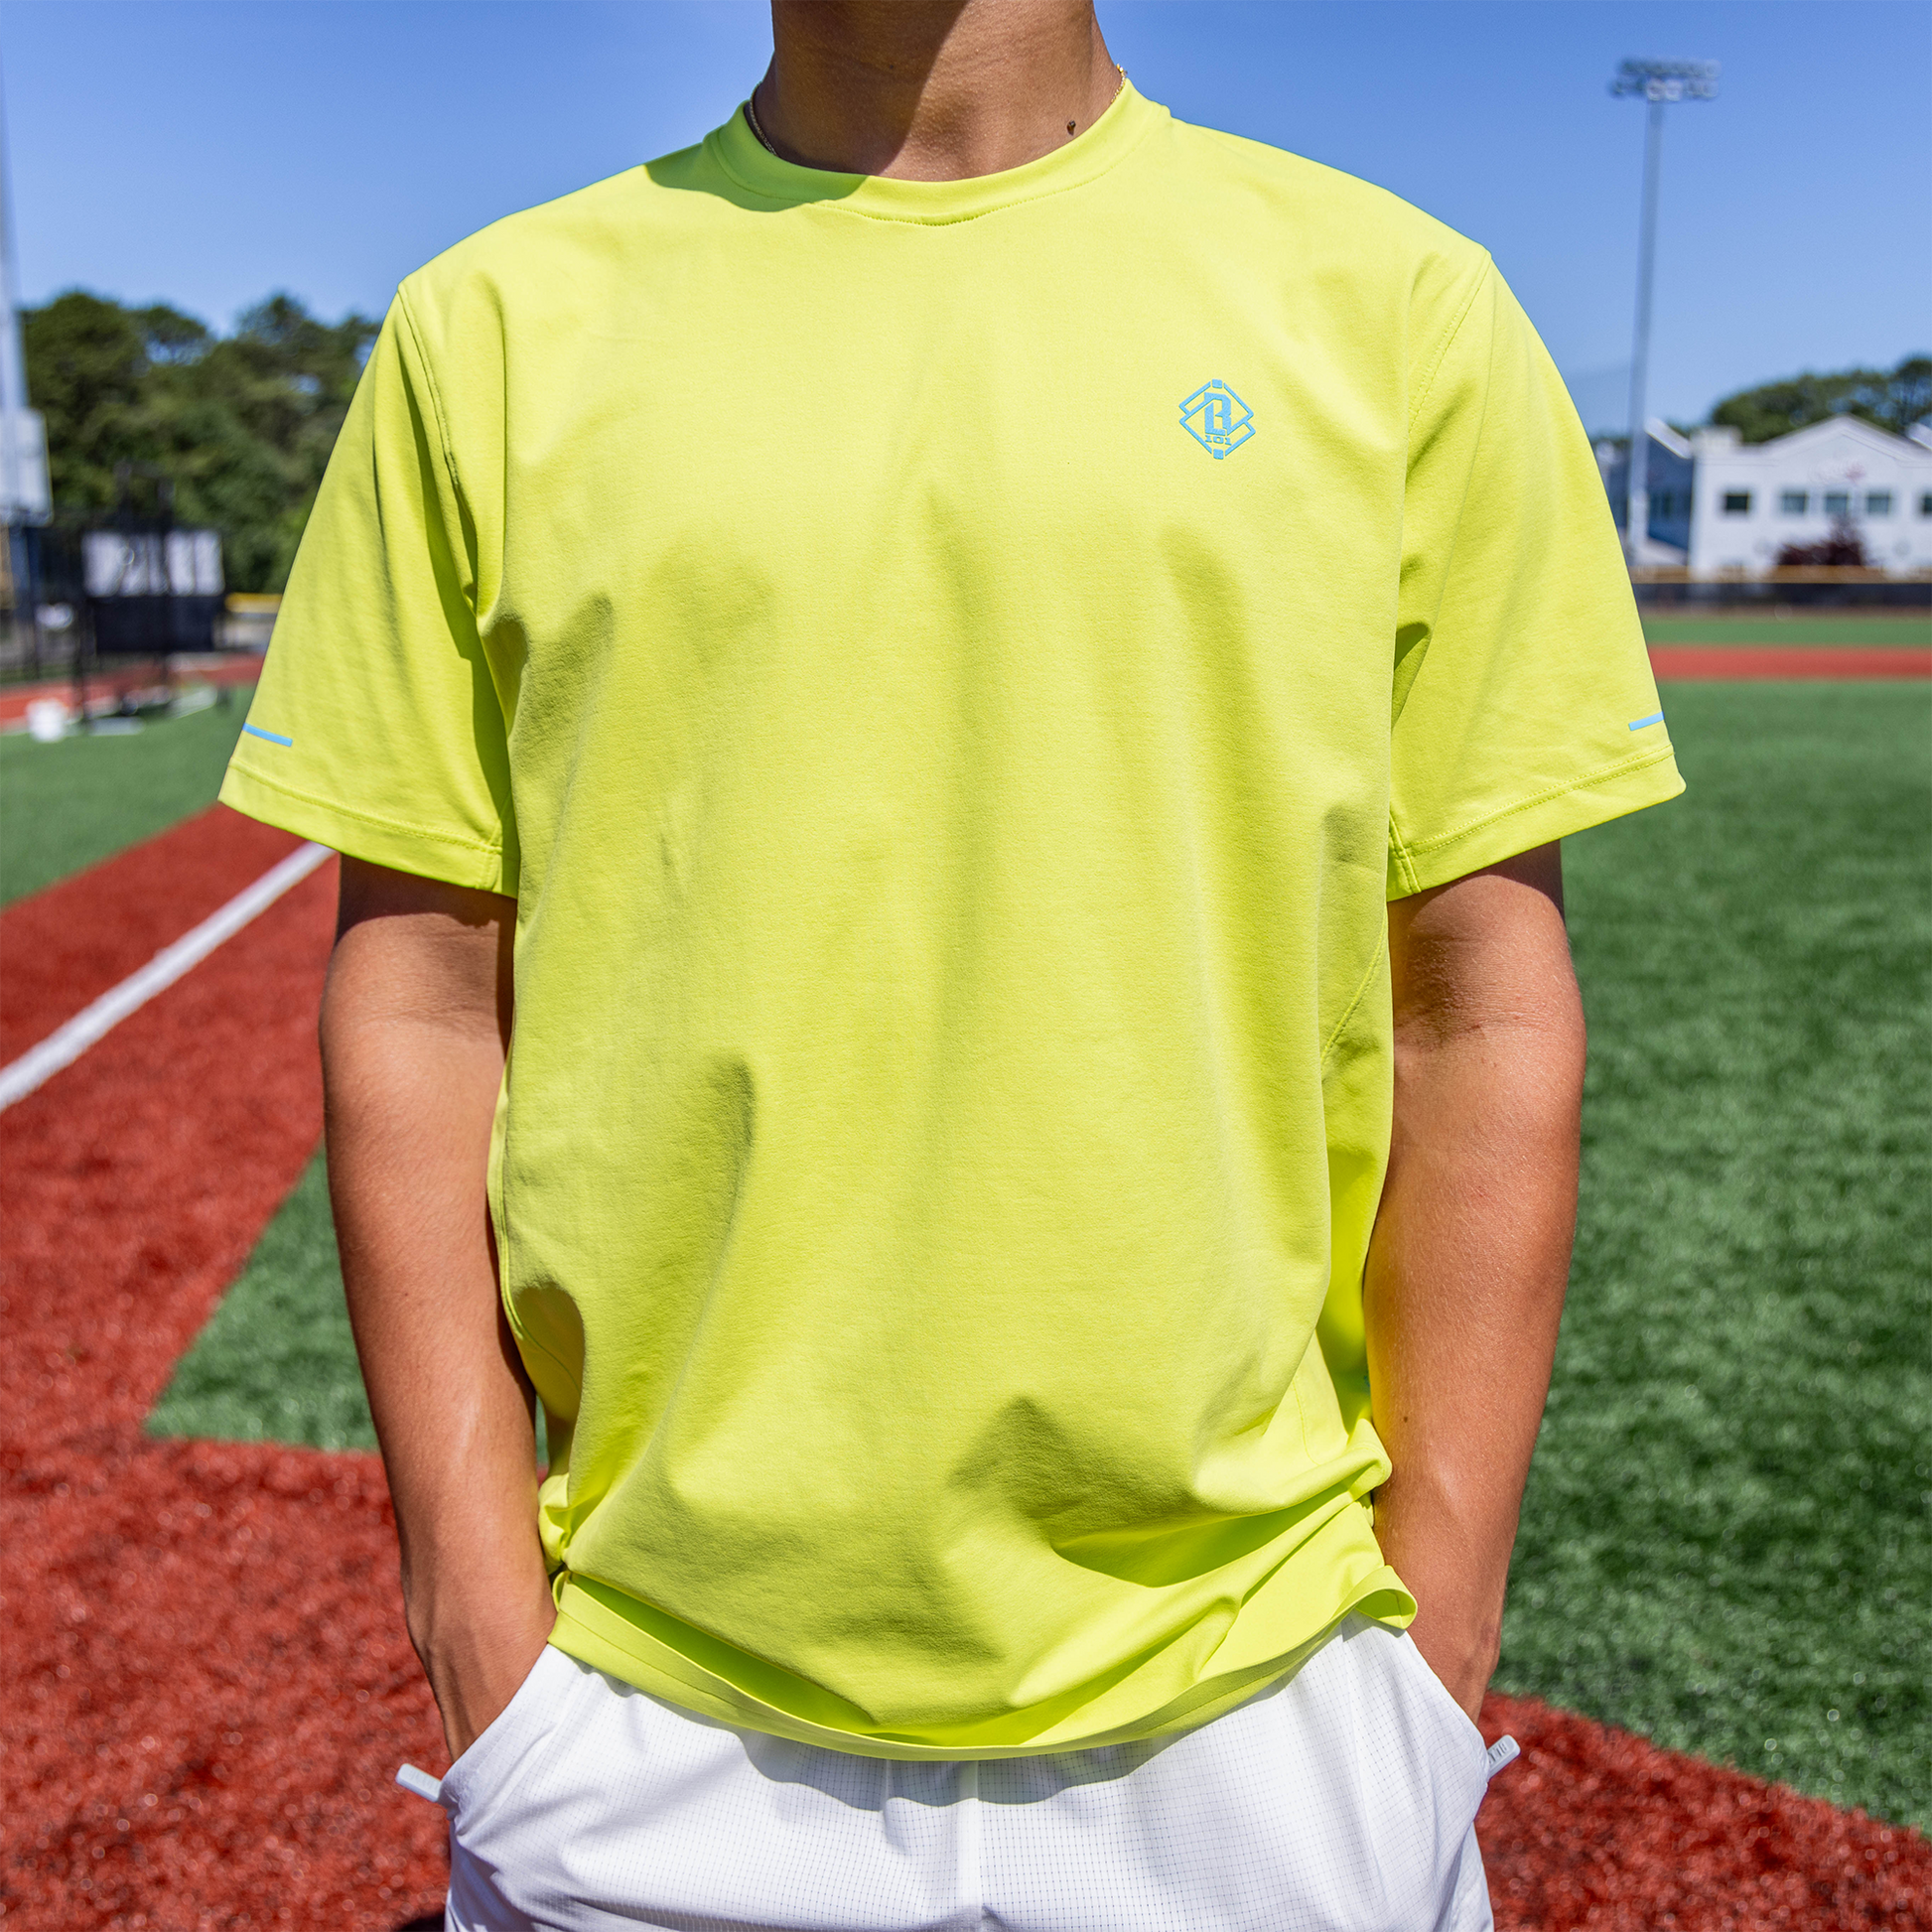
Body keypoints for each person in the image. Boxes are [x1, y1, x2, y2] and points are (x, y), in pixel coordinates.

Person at [221, 3, 1682, 1926]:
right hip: (644, 1707)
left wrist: (1432, 1648)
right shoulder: (487, 329)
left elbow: (1473, 1005)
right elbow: (421, 999)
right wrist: (479, 1627)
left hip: (1268, 1713)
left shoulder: (1399, 304)